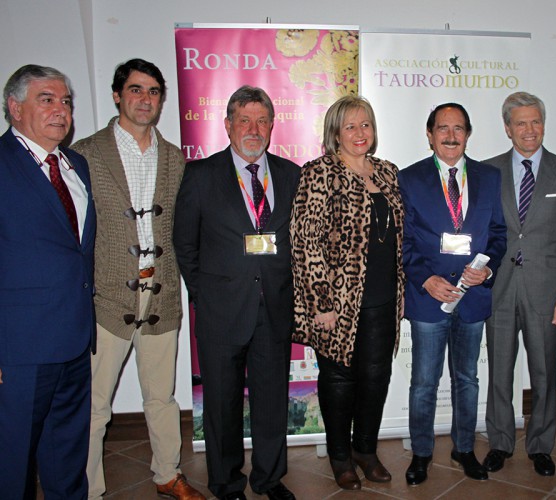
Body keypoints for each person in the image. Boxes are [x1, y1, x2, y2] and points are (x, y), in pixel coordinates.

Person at [71, 59, 203, 500]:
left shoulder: (174, 157)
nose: (144, 99)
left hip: (161, 292)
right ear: (117, 95)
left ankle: (167, 473)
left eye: (152, 92)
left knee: (162, 396)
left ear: (161, 100)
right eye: (135, 90)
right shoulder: (86, 154)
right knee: (94, 406)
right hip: (107, 296)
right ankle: (88, 488)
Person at [173, 86, 300, 500]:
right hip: (221, 312)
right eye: (244, 120)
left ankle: (268, 477)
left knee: (271, 402)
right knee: (223, 406)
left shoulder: (289, 174)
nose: (253, 129)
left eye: (262, 120)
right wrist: (205, 295)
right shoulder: (201, 175)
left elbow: (299, 242)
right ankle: (227, 484)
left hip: (274, 309)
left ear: (271, 125)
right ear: (227, 125)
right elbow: (185, 244)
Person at [291, 95, 405, 490]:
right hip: (337, 305)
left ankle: (366, 450)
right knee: (339, 381)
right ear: (335, 133)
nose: (360, 133)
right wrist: (322, 302)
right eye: (350, 126)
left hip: (384, 299)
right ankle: (340, 457)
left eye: (366, 125)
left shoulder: (388, 173)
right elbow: (306, 243)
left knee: (377, 378)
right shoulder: (319, 173)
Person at [0, 64, 96, 498]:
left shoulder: (75, 165)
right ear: (14, 107)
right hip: (19, 349)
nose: (61, 110)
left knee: (66, 457)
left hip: (74, 339)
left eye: (66, 101)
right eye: (47, 99)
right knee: (12, 462)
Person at [399, 102, 507, 486]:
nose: (450, 136)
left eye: (458, 128)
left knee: (467, 379)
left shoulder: (489, 177)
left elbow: (498, 234)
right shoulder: (408, 179)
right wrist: (425, 279)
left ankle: (464, 448)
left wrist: (487, 268)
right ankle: (422, 453)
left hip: (472, 298)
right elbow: (403, 240)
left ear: (468, 133)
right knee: (424, 382)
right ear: (429, 134)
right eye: (442, 128)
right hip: (429, 297)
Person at [483, 91, 556, 477]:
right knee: (500, 373)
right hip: (500, 289)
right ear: (507, 128)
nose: (529, 130)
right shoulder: (488, 171)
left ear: (544, 124)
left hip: (547, 292)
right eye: (520, 123)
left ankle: (541, 445)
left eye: (535, 122)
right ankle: (500, 442)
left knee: (544, 373)